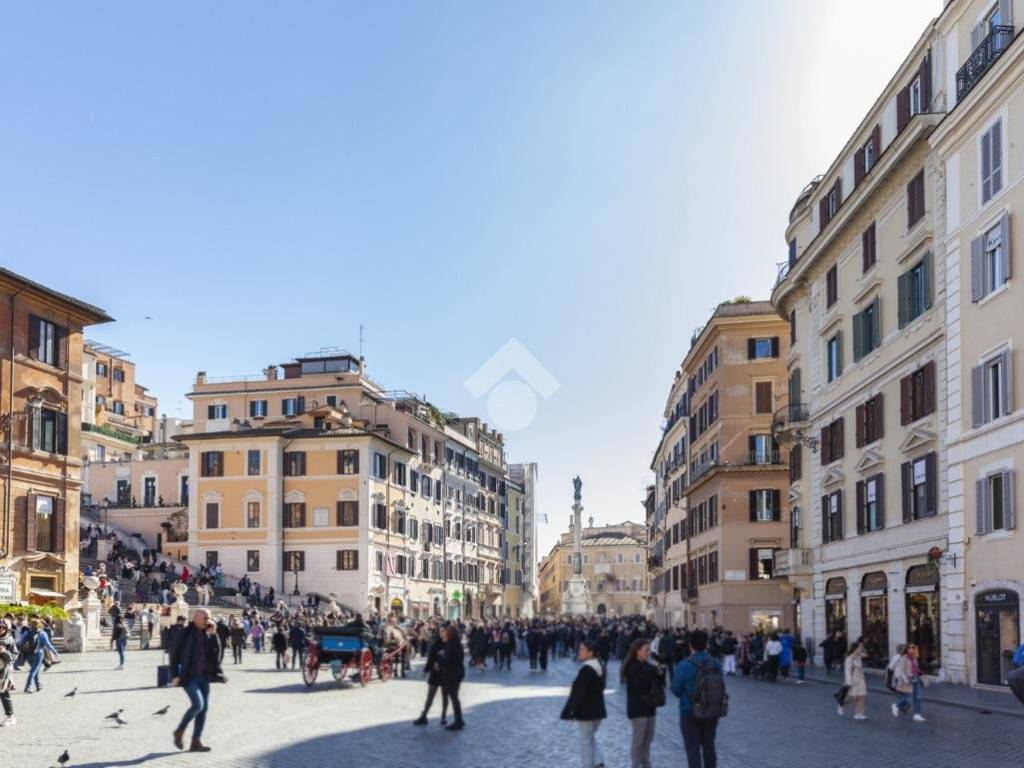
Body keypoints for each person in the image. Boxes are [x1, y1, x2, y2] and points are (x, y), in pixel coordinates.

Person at [170, 607, 225, 752]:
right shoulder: (185, 632)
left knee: (204, 709)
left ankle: (196, 741)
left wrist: (214, 635)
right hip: (189, 676)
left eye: (209, 618)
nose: (208, 621)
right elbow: (174, 654)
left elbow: (217, 655)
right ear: (196, 618)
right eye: (205, 618)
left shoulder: (208, 634)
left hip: (204, 676)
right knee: (198, 705)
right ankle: (180, 731)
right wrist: (174, 674)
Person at [671, 629, 723, 768]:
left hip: (689, 710)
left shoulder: (684, 665)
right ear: (706, 644)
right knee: (709, 747)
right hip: (711, 710)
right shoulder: (715, 663)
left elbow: (675, 690)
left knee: (692, 748)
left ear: (690, 645)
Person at [561, 640, 607, 768]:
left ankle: (590, 765)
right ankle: (598, 762)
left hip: (587, 712)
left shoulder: (587, 669)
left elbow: (581, 693)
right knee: (589, 738)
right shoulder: (598, 666)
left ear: (590, 653)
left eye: (582, 649)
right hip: (597, 711)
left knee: (585, 742)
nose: (579, 652)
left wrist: (572, 711)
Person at [622, 639, 663, 768]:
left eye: (649, 650)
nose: (649, 652)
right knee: (639, 740)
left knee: (648, 739)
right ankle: (635, 765)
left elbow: (658, 682)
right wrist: (655, 671)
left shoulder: (648, 666)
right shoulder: (632, 667)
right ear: (637, 651)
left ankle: (646, 764)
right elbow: (640, 683)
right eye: (646, 650)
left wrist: (659, 672)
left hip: (650, 707)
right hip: (638, 708)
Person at [413, 629, 449, 726]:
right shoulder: (436, 643)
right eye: (441, 631)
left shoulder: (452, 644)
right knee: (430, 696)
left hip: (446, 673)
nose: (442, 633)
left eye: (444, 631)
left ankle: (444, 716)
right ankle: (424, 715)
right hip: (435, 673)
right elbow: (431, 658)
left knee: (445, 696)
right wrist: (426, 670)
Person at [438, 625, 465, 731]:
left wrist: (439, 661)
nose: (444, 634)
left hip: (452, 674)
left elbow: (446, 660)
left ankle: (458, 721)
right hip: (459, 672)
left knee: (454, 697)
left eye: (446, 632)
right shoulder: (458, 644)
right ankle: (460, 719)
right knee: (455, 697)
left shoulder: (450, 645)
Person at [20, 619, 59, 693]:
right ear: (40, 624)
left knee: (36, 671)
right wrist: (55, 652)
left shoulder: (27, 632)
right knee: (33, 671)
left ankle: (38, 686)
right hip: (39, 654)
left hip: (28, 654)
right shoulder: (42, 633)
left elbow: (21, 643)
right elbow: (48, 644)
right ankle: (27, 687)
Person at [891, 643, 927, 722]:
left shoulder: (914, 657)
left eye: (913, 647)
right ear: (906, 649)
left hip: (916, 678)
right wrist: (906, 680)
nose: (911, 649)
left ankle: (917, 714)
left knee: (918, 697)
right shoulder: (903, 658)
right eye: (910, 648)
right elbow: (901, 670)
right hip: (908, 680)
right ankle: (897, 706)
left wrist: (919, 672)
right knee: (908, 698)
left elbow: (916, 668)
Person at [840, 641, 868, 720]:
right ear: (855, 649)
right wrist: (848, 682)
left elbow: (865, 655)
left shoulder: (859, 657)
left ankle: (859, 713)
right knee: (853, 697)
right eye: (860, 647)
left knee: (862, 696)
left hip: (861, 679)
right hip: (853, 680)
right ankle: (842, 705)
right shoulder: (849, 659)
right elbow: (847, 671)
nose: (861, 649)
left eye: (861, 648)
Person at [0, 620, 16, 727]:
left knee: (4, 694)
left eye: (2, 627)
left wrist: (4, 652)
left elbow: (14, 656)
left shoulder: (9, 640)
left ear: (7, 629)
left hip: (2, 672)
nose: (0, 629)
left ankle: (10, 717)